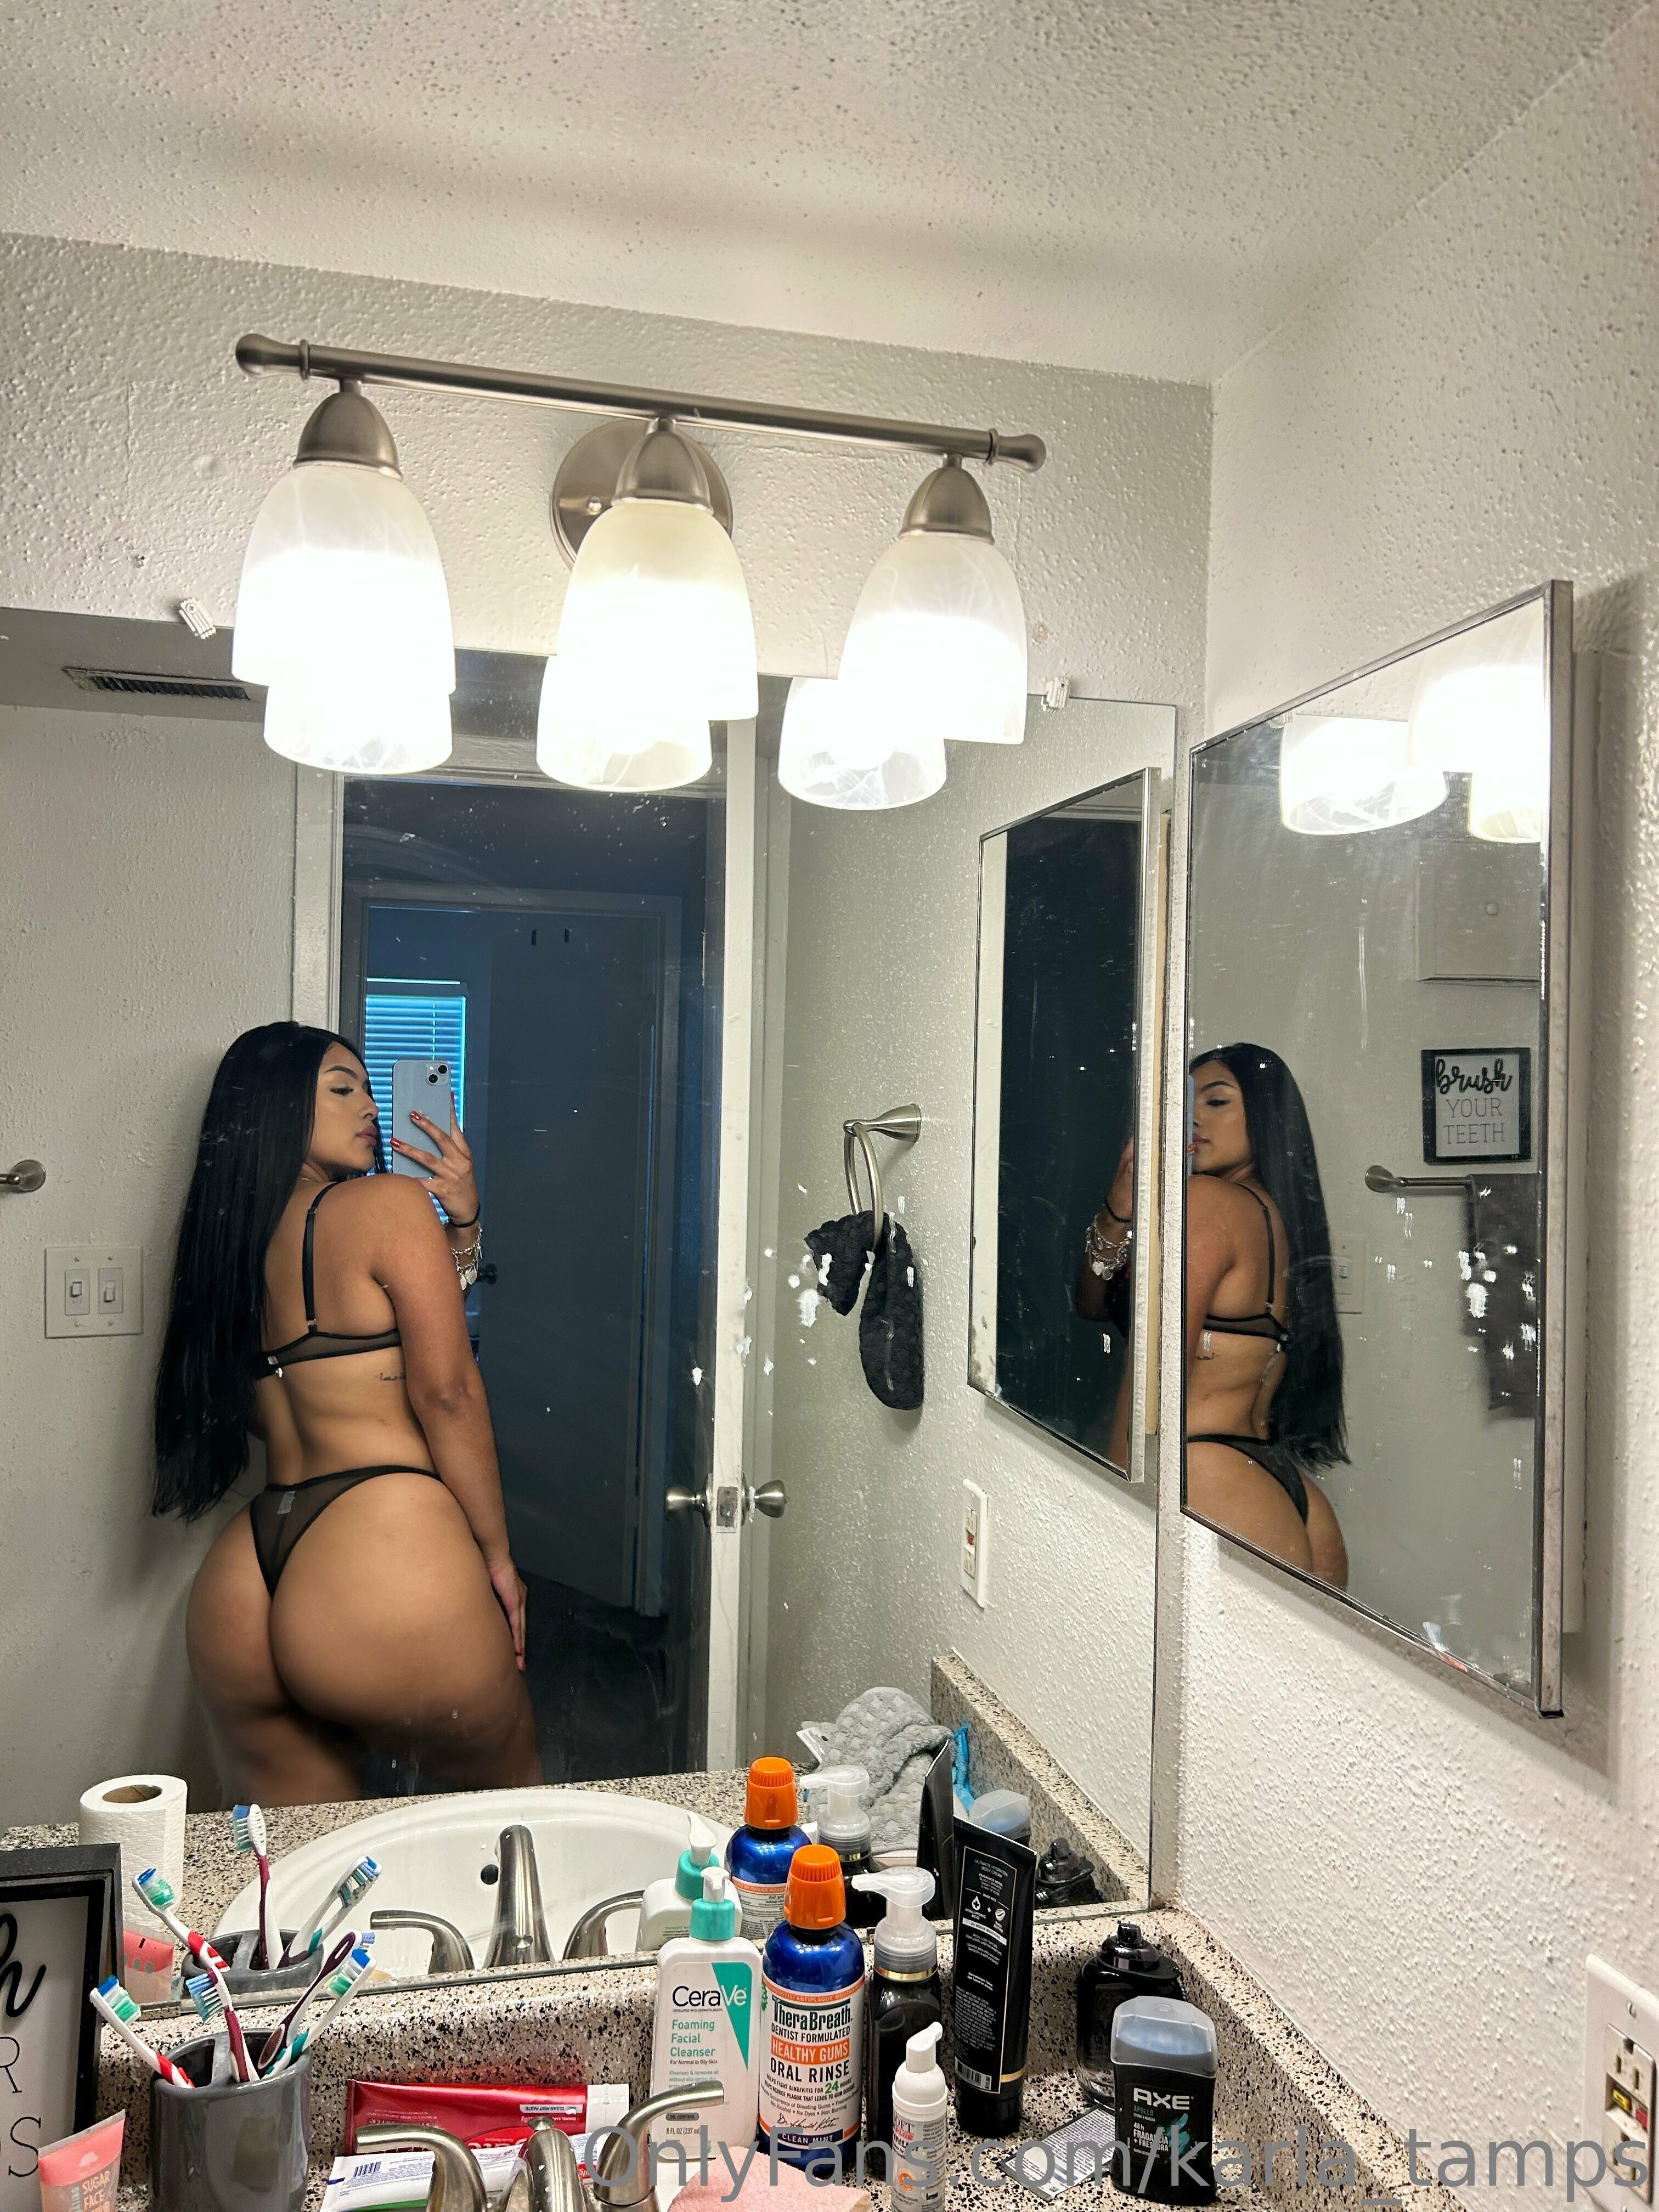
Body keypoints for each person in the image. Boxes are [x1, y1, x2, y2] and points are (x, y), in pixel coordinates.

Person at [154, 1022, 540, 1803]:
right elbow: (447, 1392)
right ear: (276, 1109)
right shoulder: (386, 1205)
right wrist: (497, 1558)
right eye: (342, 1089)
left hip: (246, 1579)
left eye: (368, 1088)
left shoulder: (227, 1242)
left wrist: (462, 1228)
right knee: (513, 1815)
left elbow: (327, 1373)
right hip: (377, 1551)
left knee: (296, 1869)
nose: (369, 1107)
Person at [1181, 1043, 1348, 1583]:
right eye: (1187, 1100)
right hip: (1283, 1485)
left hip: (1211, 1472)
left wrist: (1118, 1498)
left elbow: (1151, 1379)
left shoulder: (1208, 1202)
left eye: (1216, 1101)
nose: (1194, 1117)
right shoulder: (1280, 1220)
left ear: (1265, 1117)